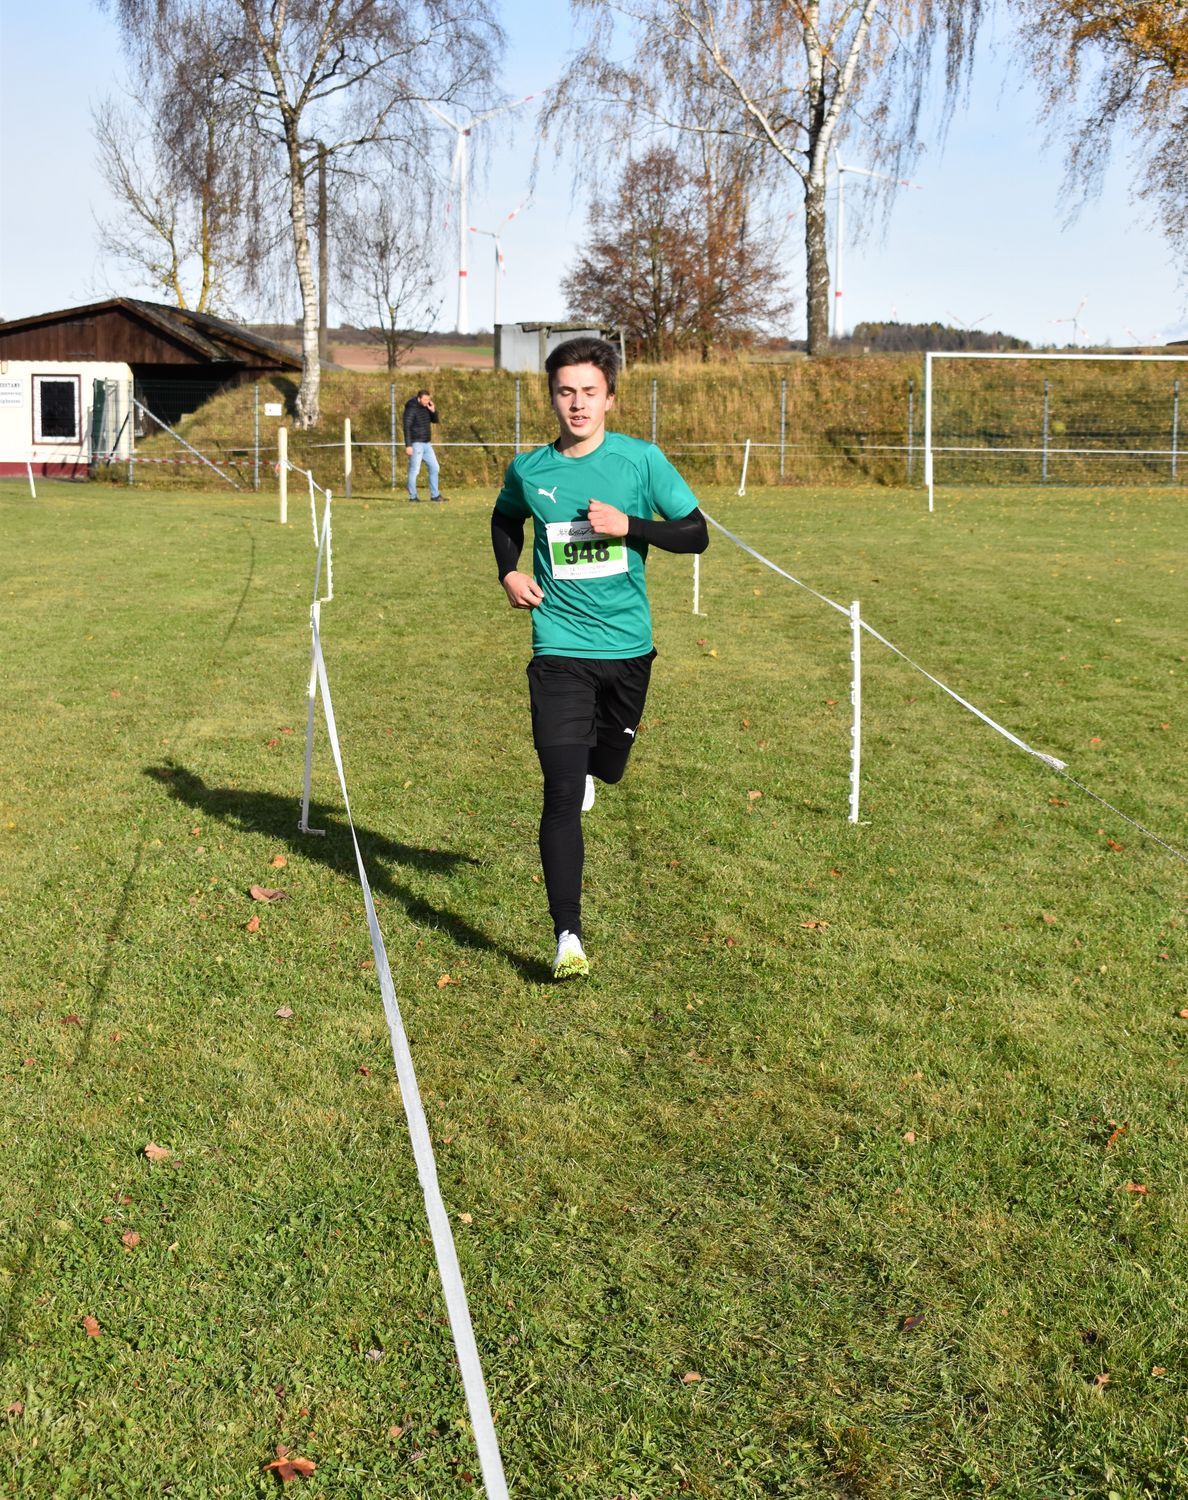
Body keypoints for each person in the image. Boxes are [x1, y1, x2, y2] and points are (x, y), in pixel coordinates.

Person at [490, 336, 709, 980]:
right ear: (551, 398)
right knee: (560, 791)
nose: (578, 404)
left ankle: (596, 766)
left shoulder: (640, 461)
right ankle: (568, 937)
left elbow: (696, 533)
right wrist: (509, 572)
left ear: (610, 398)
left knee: (605, 768)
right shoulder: (530, 469)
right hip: (558, 648)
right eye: (566, 392)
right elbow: (504, 520)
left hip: (628, 652)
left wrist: (630, 526)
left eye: (590, 391)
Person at [403, 388, 448, 502]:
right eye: (425, 399)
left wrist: (433, 411)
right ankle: (413, 497)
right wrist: (408, 445)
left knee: (435, 467)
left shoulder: (427, 407)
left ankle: (435, 495)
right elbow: (406, 427)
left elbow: (435, 420)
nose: (427, 401)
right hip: (416, 443)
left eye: (428, 399)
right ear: (419, 399)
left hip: (427, 443)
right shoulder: (411, 408)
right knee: (414, 470)